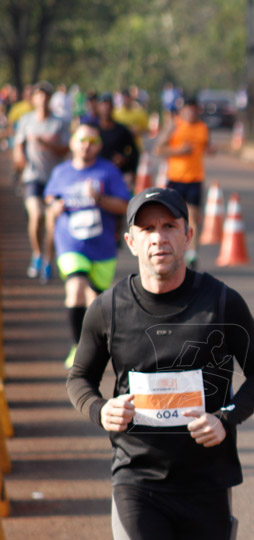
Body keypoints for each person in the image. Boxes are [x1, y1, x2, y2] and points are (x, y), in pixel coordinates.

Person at [67, 187, 254, 540]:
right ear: (130, 241)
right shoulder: (109, 308)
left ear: (188, 234)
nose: (158, 237)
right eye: (146, 228)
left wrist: (226, 419)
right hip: (138, 481)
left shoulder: (221, 304)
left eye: (168, 226)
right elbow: (79, 378)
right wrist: (100, 408)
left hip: (205, 485)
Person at [44, 123, 132, 368]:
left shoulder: (108, 172)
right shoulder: (61, 172)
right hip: (70, 242)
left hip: (102, 248)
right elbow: (50, 198)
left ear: (99, 147)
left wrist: (100, 200)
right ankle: (77, 347)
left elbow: (124, 206)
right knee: (76, 288)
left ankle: (95, 348)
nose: (86, 146)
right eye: (82, 140)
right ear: (72, 142)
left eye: (92, 142)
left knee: (96, 302)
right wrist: (54, 206)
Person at [12, 81, 70, 282]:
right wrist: (19, 160)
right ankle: (37, 254)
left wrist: (46, 143)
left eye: (46, 95)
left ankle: (48, 260)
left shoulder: (60, 122)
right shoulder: (26, 120)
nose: (43, 99)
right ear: (34, 98)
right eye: (39, 95)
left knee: (52, 223)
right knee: (36, 216)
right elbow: (19, 145)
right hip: (32, 177)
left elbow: (66, 150)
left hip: (55, 180)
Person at [153, 96, 209, 268]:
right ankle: (173, 251)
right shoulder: (174, 125)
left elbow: (207, 146)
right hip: (176, 178)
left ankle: (192, 254)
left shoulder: (203, 128)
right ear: (183, 110)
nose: (191, 112)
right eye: (188, 108)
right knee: (173, 217)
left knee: (194, 217)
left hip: (195, 178)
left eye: (194, 109)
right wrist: (179, 150)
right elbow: (158, 149)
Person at [94, 92, 140, 189]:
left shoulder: (122, 130)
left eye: (109, 105)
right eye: (103, 104)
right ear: (98, 107)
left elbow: (134, 152)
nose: (106, 108)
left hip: (118, 175)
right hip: (96, 175)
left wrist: (124, 158)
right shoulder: (93, 130)